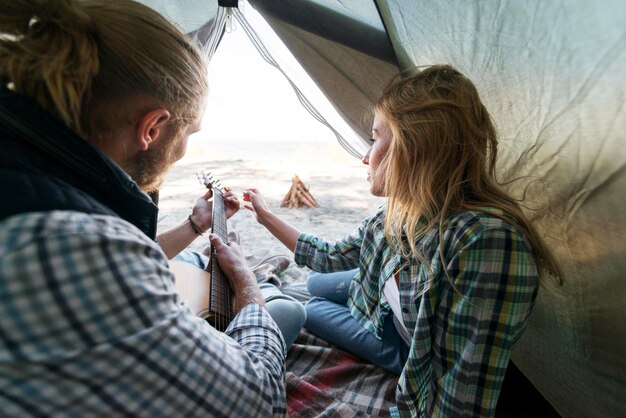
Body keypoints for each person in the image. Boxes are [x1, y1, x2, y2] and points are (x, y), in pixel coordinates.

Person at [0, 1, 286, 416]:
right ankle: (268, 283)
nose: (184, 149)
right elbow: (259, 400)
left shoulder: (27, 168)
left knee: (189, 258)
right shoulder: (71, 245)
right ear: (152, 127)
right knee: (283, 312)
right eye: (188, 132)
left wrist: (194, 223)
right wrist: (246, 284)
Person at [243, 65, 563, 417]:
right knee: (316, 281)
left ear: (413, 144)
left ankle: (280, 297)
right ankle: (300, 296)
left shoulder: (486, 244)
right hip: (387, 305)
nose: (366, 157)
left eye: (374, 138)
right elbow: (328, 256)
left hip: (405, 346)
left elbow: (462, 394)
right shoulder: (399, 215)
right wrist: (264, 214)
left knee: (308, 306)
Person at [158, 188, 306, 349]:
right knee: (291, 310)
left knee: (187, 258)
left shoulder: (130, 254)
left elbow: (147, 251)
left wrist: (198, 222)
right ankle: (257, 278)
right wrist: (242, 273)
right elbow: (260, 366)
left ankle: (215, 264)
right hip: (218, 354)